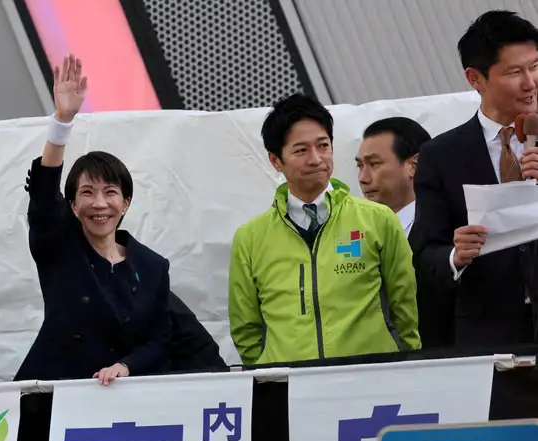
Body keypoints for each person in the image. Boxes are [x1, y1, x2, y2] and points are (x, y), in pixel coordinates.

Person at [228, 93, 420, 365]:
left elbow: (405, 308)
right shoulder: (250, 238)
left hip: (372, 380)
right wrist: (271, 371)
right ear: (275, 160)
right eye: (301, 150)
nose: (316, 159)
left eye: (323, 145)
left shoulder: (378, 219)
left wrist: (406, 362)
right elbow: (245, 327)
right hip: (293, 386)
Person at [14, 55, 171, 385]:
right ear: (72, 205)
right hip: (51, 398)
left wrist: (125, 366)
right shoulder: (58, 249)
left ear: (126, 202)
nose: (100, 204)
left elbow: (159, 340)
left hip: (117, 401)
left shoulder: (153, 267)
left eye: (110, 192)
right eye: (87, 193)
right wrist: (62, 121)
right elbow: (43, 198)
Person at [411, 10, 538, 346]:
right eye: (514, 72)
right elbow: (424, 256)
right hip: (488, 337)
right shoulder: (441, 155)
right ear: (474, 78)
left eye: (535, 66)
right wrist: (455, 255)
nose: (530, 82)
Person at [356, 118, 454, 348]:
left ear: (414, 165)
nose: (363, 177)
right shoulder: (356, 234)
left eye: (375, 164)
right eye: (360, 166)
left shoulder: (450, 230)